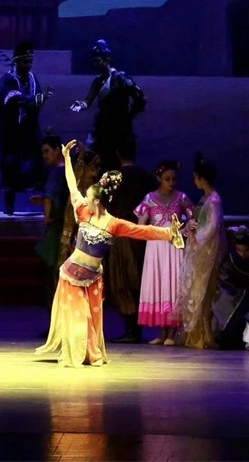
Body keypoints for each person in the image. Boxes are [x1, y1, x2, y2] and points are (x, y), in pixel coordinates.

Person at [35, 140, 184, 368]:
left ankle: (91, 353)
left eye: (89, 197)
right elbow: (72, 186)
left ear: (98, 201)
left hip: (93, 278)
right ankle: (75, 352)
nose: (84, 199)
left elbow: (143, 230)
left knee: (91, 318)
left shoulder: (114, 224)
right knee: (79, 315)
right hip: (72, 275)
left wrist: (169, 232)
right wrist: (66, 159)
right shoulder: (82, 211)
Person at [136, 160, 194, 346]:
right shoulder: (149, 199)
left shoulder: (182, 198)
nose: (171, 182)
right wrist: (152, 232)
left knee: (173, 283)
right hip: (156, 247)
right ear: (159, 178)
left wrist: (184, 230)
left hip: (174, 246)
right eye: (167, 179)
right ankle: (162, 332)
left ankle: (172, 332)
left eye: (174, 179)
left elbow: (194, 219)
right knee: (159, 283)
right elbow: (140, 225)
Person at [106, 136, 157, 343]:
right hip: (141, 234)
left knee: (123, 280)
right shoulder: (146, 177)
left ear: (118, 154)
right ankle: (136, 328)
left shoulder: (113, 177)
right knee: (138, 278)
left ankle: (131, 329)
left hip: (121, 235)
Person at [69, 39, 146, 171]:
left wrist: (128, 117)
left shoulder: (120, 78)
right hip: (103, 131)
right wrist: (81, 104)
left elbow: (140, 99)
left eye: (98, 60)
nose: (95, 64)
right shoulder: (98, 81)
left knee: (121, 167)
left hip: (120, 131)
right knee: (101, 166)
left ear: (107, 59)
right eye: (94, 61)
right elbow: (88, 100)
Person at [0, 40, 53, 215]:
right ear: (16, 61)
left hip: (30, 129)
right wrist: (37, 99)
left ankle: (46, 202)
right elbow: (16, 99)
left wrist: (40, 100)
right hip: (13, 132)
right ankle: (9, 205)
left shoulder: (32, 79)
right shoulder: (8, 80)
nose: (28, 65)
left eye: (30, 61)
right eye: (25, 61)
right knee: (11, 164)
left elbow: (37, 101)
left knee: (41, 161)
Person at [177, 153, 226, 350]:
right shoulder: (206, 198)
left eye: (195, 178)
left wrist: (197, 236)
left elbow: (212, 227)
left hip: (206, 252)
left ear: (202, 180)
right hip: (199, 250)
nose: (194, 181)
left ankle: (203, 335)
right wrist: (190, 227)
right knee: (196, 290)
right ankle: (195, 334)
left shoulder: (213, 200)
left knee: (203, 291)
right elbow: (201, 223)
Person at [212, 226, 249, 350]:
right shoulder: (230, 259)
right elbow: (225, 285)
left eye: (246, 250)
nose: (243, 255)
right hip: (232, 304)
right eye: (239, 250)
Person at [32, 134, 68, 312]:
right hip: (64, 223)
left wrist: (47, 217)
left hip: (56, 226)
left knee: (53, 268)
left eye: (47, 151)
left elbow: (50, 197)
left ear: (57, 150)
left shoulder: (56, 172)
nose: (45, 156)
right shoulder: (68, 171)